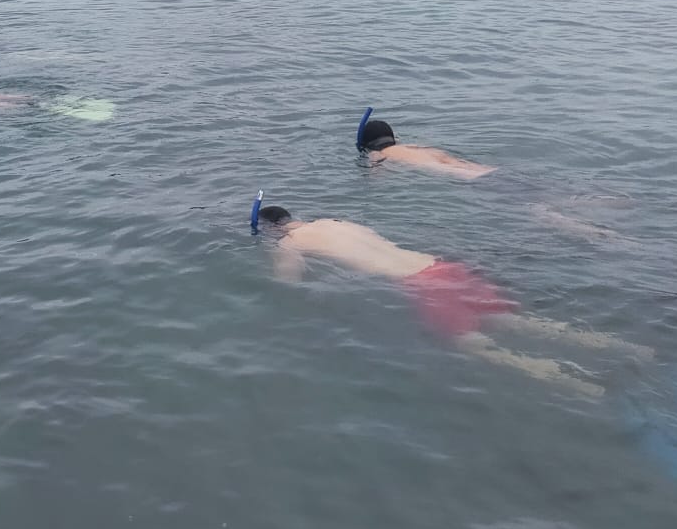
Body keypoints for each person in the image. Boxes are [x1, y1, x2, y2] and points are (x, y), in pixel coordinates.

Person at [254, 204, 647, 396]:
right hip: (444, 268)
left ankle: (586, 388)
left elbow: (290, 284)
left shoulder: (289, 242)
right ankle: (628, 348)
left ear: (273, 229)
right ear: (296, 213)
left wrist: (274, 265)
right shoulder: (336, 222)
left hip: (420, 285)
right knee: (516, 322)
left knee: (476, 347)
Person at [358, 115, 494, 180]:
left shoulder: (377, 154)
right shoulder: (409, 146)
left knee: (462, 173)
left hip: (429, 164)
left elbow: (377, 176)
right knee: (461, 164)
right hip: (434, 154)